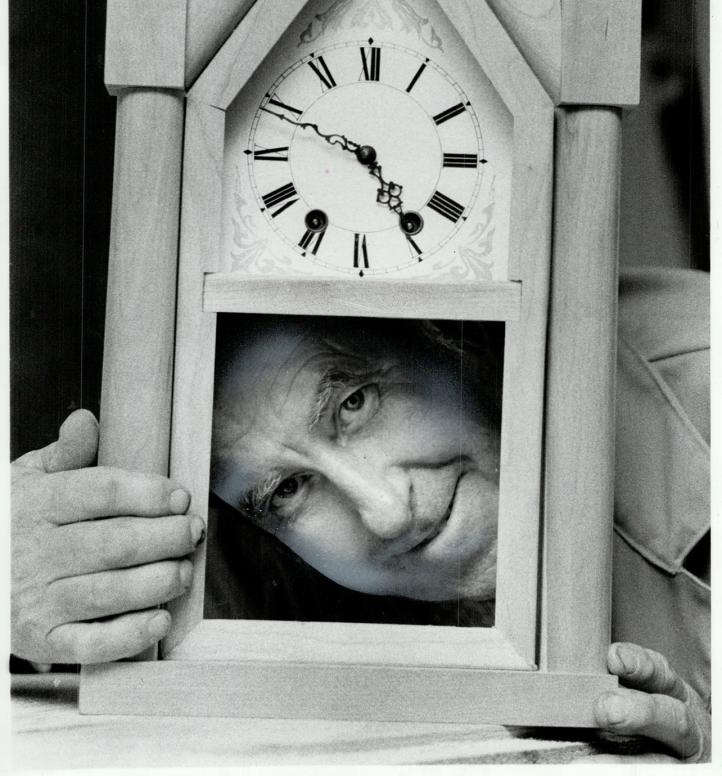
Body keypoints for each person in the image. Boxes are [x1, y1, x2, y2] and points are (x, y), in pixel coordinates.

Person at [11, 269, 710, 761]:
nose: (384, 514)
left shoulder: (701, 377)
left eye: (355, 404)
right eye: (286, 491)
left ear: (454, 338)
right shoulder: (245, 603)